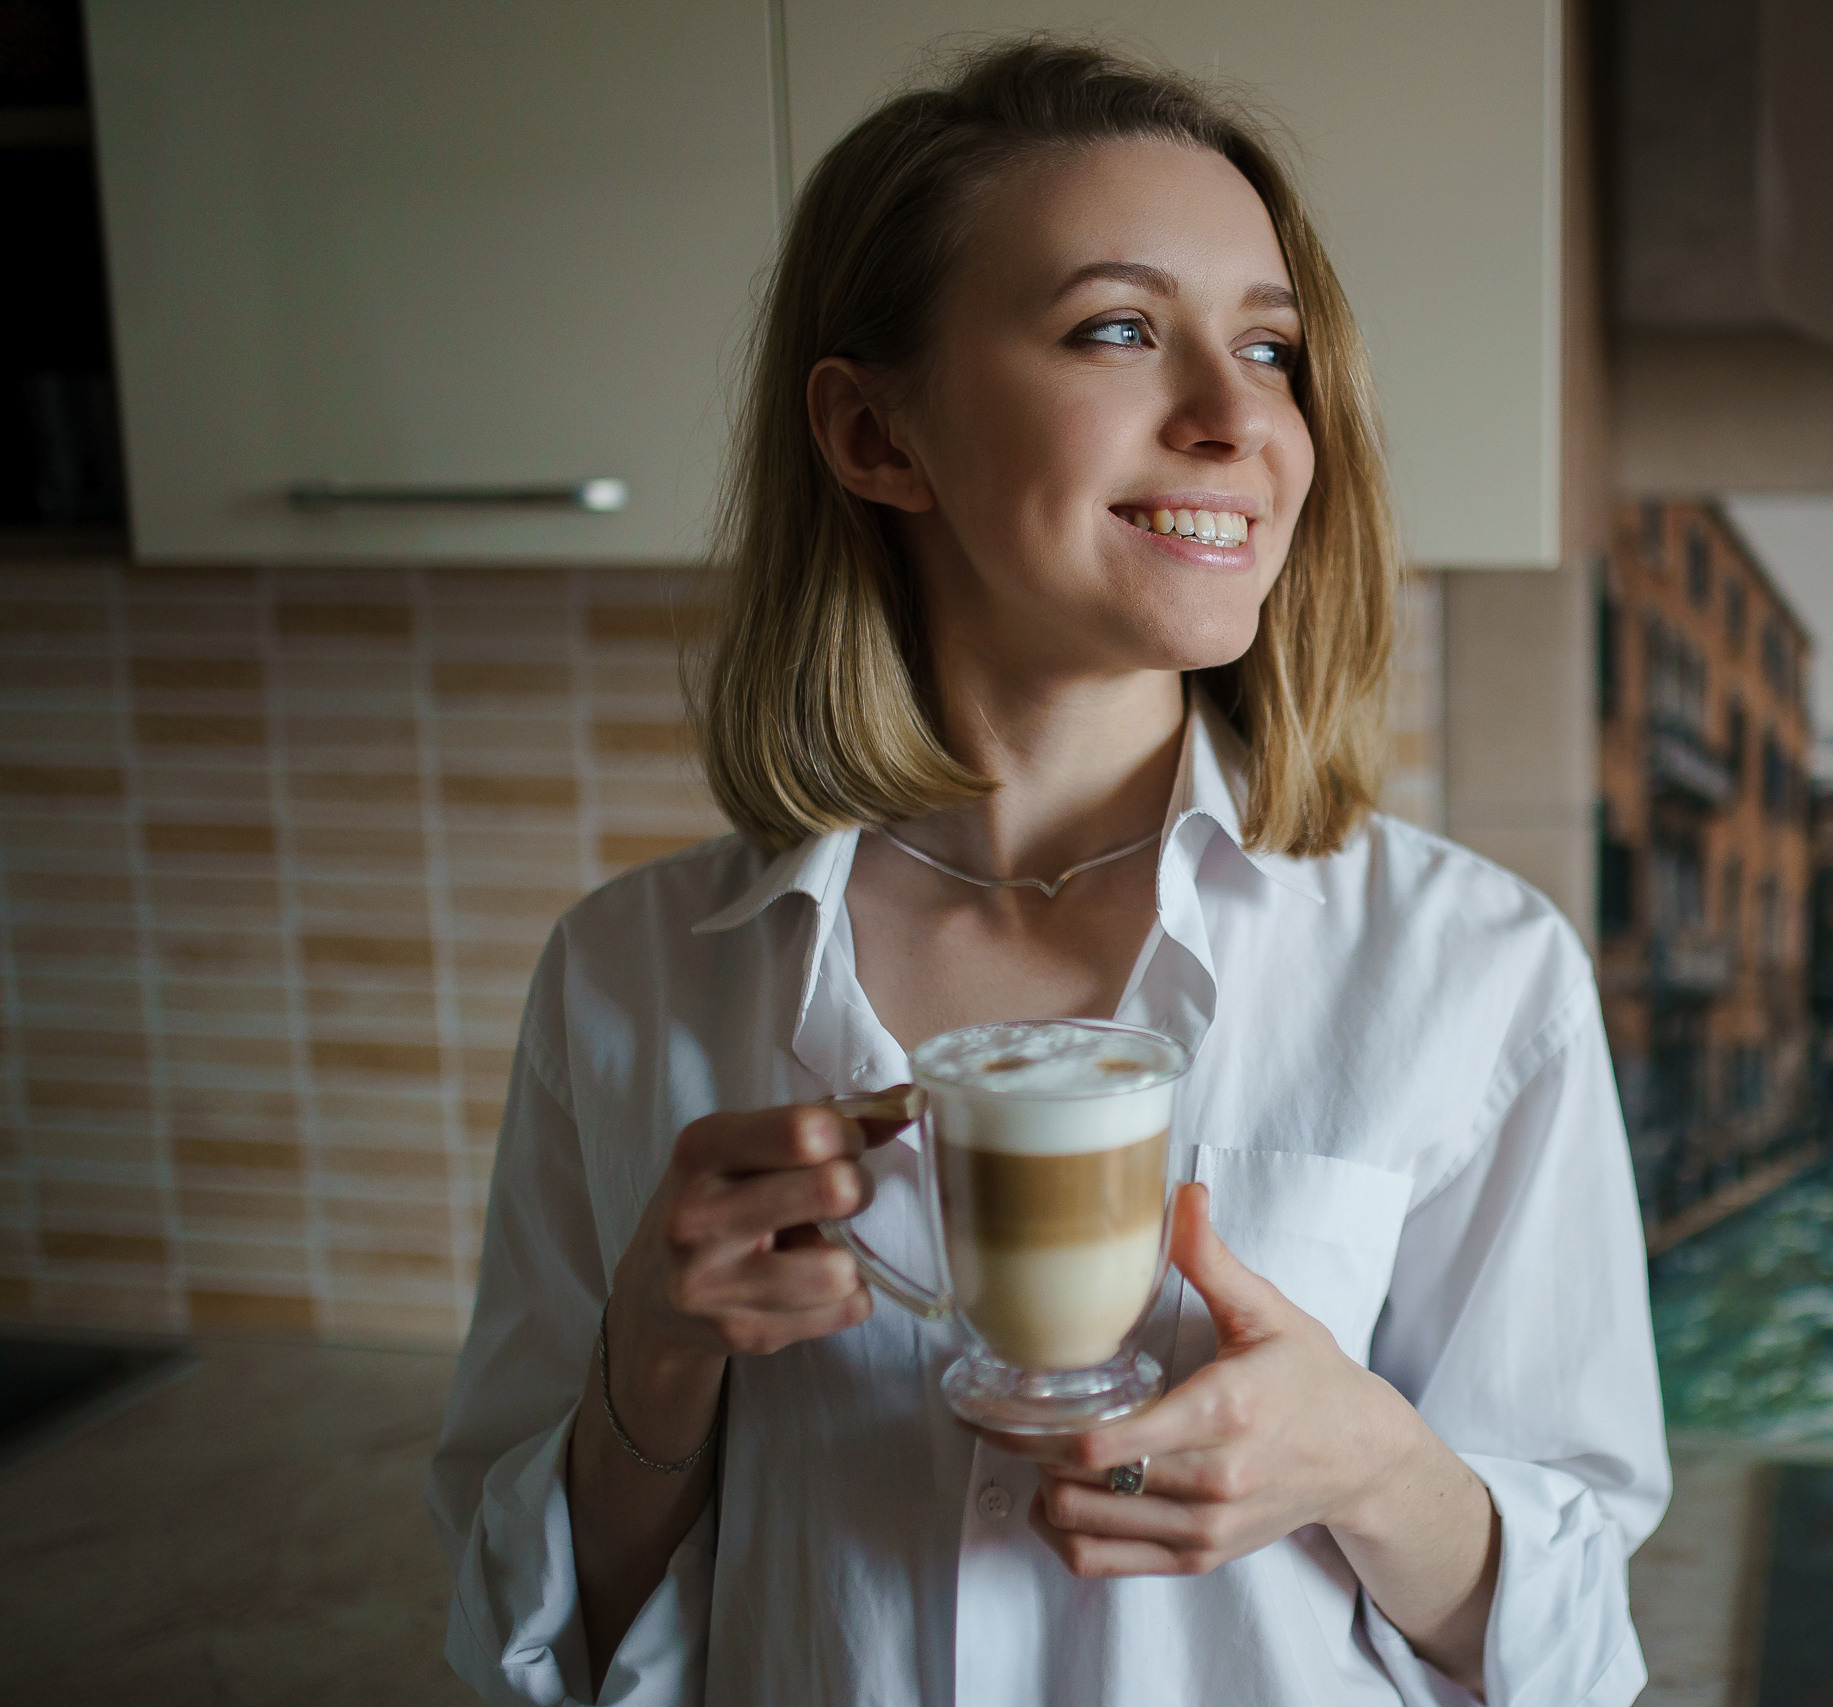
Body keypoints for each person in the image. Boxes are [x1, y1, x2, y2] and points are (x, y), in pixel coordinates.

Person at [428, 38, 1667, 1707]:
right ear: (876, 432)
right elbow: (529, 1631)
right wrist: (653, 1355)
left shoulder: (1475, 973)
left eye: (1274, 349)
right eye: (1117, 330)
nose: (1240, 422)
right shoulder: (630, 978)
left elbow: (1576, 1652)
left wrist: (1372, 1467)